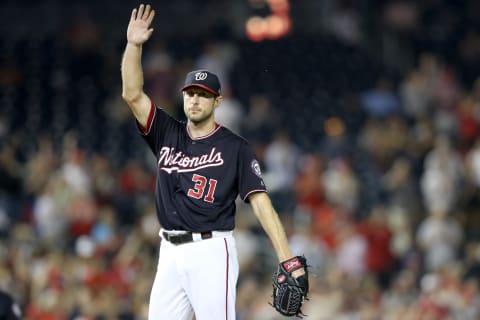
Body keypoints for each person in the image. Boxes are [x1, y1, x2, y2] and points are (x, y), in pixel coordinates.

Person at [121, 4, 307, 319]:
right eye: (190, 92)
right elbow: (132, 94)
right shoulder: (167, 132)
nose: (194, 99)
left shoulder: (235, 147)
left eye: (202, 94)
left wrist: (286, 257)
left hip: (211, 250)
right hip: (168, 250)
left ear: (217, 101)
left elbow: (260, 203)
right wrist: (133, 45)